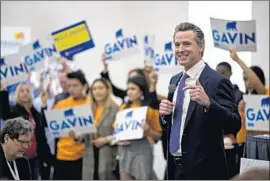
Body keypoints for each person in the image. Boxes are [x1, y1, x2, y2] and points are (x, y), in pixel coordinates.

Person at [159, 22, 241, 180]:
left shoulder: (218, 81)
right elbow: (172, 125)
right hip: (174, 169)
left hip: (204, 171)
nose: (180, 49)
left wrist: (209, 104)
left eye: (186, 44)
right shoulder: (175, 80)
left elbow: (234, 124)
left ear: (201, 47)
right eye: (177, 45)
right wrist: (164, 115)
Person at [69, 78, 119, 180]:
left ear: (107, 90)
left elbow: (121, 135)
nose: (97, 91)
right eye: (94, 89)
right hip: (90, 156)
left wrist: (106, 140)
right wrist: (77, 136)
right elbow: (84, 135)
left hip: (108, 156)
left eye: (100, 88)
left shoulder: (116, 109)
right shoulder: (87, 110)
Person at [0, 83, 52, 180]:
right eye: (21, 91)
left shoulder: (34, 112)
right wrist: (3, 91)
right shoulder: (14, 110)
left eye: (27, 90)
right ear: (17, 94)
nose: (25, 93)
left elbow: (44, 124)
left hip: (35, 156)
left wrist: (44, 104)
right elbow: (5, 114)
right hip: (20, 156)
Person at [44, 70, 90, 180]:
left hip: (84, 157)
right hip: (62, 156)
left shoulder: (90, 103)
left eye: (75, 85)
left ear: (84, 86)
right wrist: (44, 106)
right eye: (69, 86)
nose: (71, 89)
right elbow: (48, 124)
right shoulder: (61, 104)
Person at [115, 76, 162, 180]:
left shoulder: (150, 109)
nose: (129, 92)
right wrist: (119, 140)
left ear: (141, 91)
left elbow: (160, 135)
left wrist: (149, 132)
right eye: (128, 89)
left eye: (133, 89)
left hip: (142, 150)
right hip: (124, 150)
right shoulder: (123, 107)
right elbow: (116, 132)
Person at [216, 61, 244, 178]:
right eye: (217, 73)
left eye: (223, 73)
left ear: (230, 74)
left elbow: (236, 121)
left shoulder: (239, 95)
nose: (220, 76)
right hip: (214, 143)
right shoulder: (210, 93)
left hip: (232, 144)